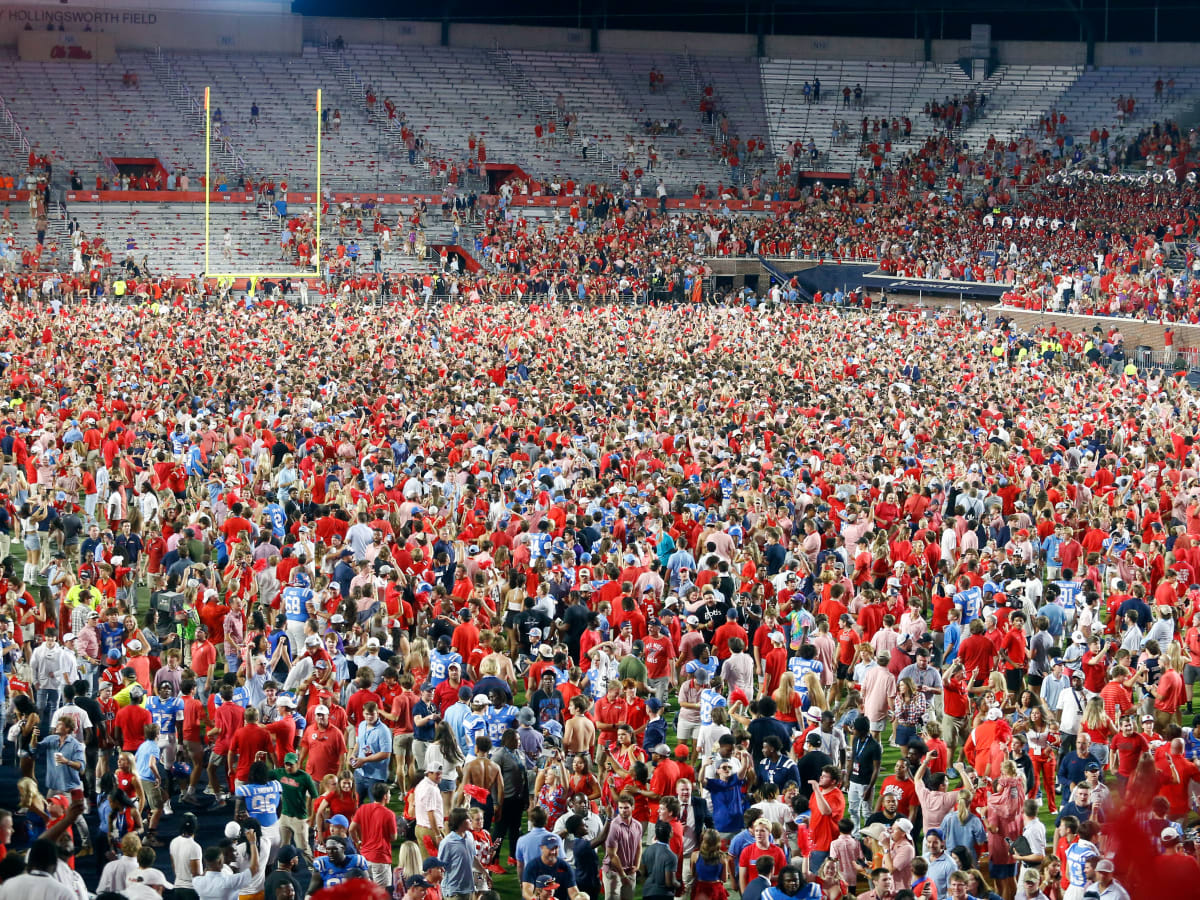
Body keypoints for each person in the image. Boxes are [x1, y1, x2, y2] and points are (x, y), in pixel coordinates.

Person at [194, 833, 259, 900]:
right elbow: (255, 868)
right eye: (234, 850)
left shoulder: (197, 881)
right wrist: (253, 843)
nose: (237, 853)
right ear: (224, 854)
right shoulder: (228, 880)